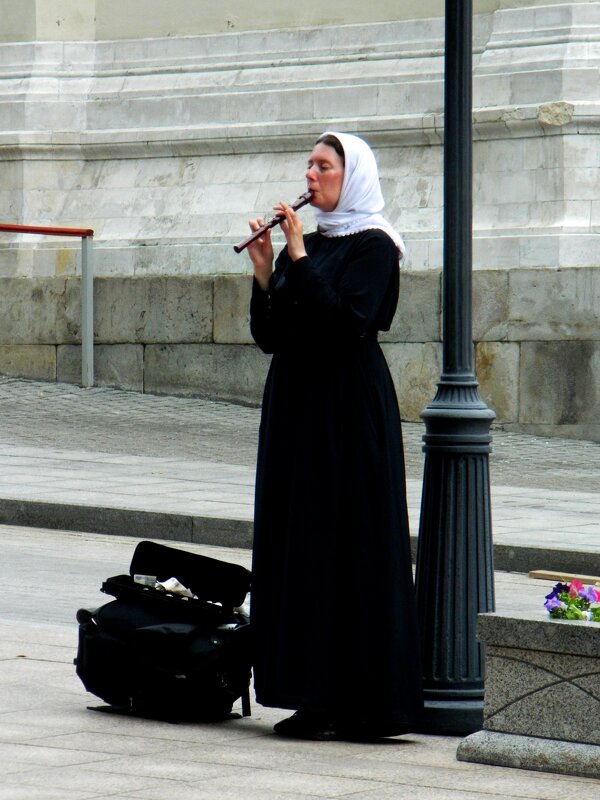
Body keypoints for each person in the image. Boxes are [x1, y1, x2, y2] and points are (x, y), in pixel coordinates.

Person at [245, 131, 423, 741]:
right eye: (310, 164)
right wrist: (267, 274)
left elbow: (349, 324)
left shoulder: (375, 246)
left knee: (351, 540)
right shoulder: (314, 245)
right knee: (301, 541)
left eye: (324, 166)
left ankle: (364, 702)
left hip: (347, 410)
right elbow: (273, 335)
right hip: (297, 409)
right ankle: (309, 694)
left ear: (354, 176)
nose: (311, 174)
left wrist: (296, 256)